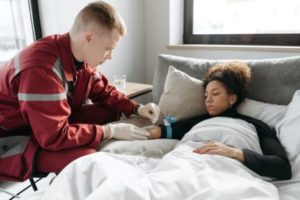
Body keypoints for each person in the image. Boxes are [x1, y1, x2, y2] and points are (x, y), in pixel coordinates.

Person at [0, 1, 159, 181]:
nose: (110, 56)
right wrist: (108, 132)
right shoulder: (41, 70)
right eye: (108, 49)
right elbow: (53, 136)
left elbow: (104, 92)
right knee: (87, 158)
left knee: (111, 111)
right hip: (14, 137)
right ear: (89, 37)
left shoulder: (80, 58)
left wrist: (136, 108)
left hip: (46, 124)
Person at [147, 61, 291, 180]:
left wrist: (234, 152)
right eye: (205, 96)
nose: (208, 100)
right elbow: (162, 131)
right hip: (186, 163)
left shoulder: (256, 125)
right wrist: (132, 131)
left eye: (215, 94)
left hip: (228, 171)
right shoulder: (198, 122)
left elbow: (282, 167)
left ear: (232, 98)